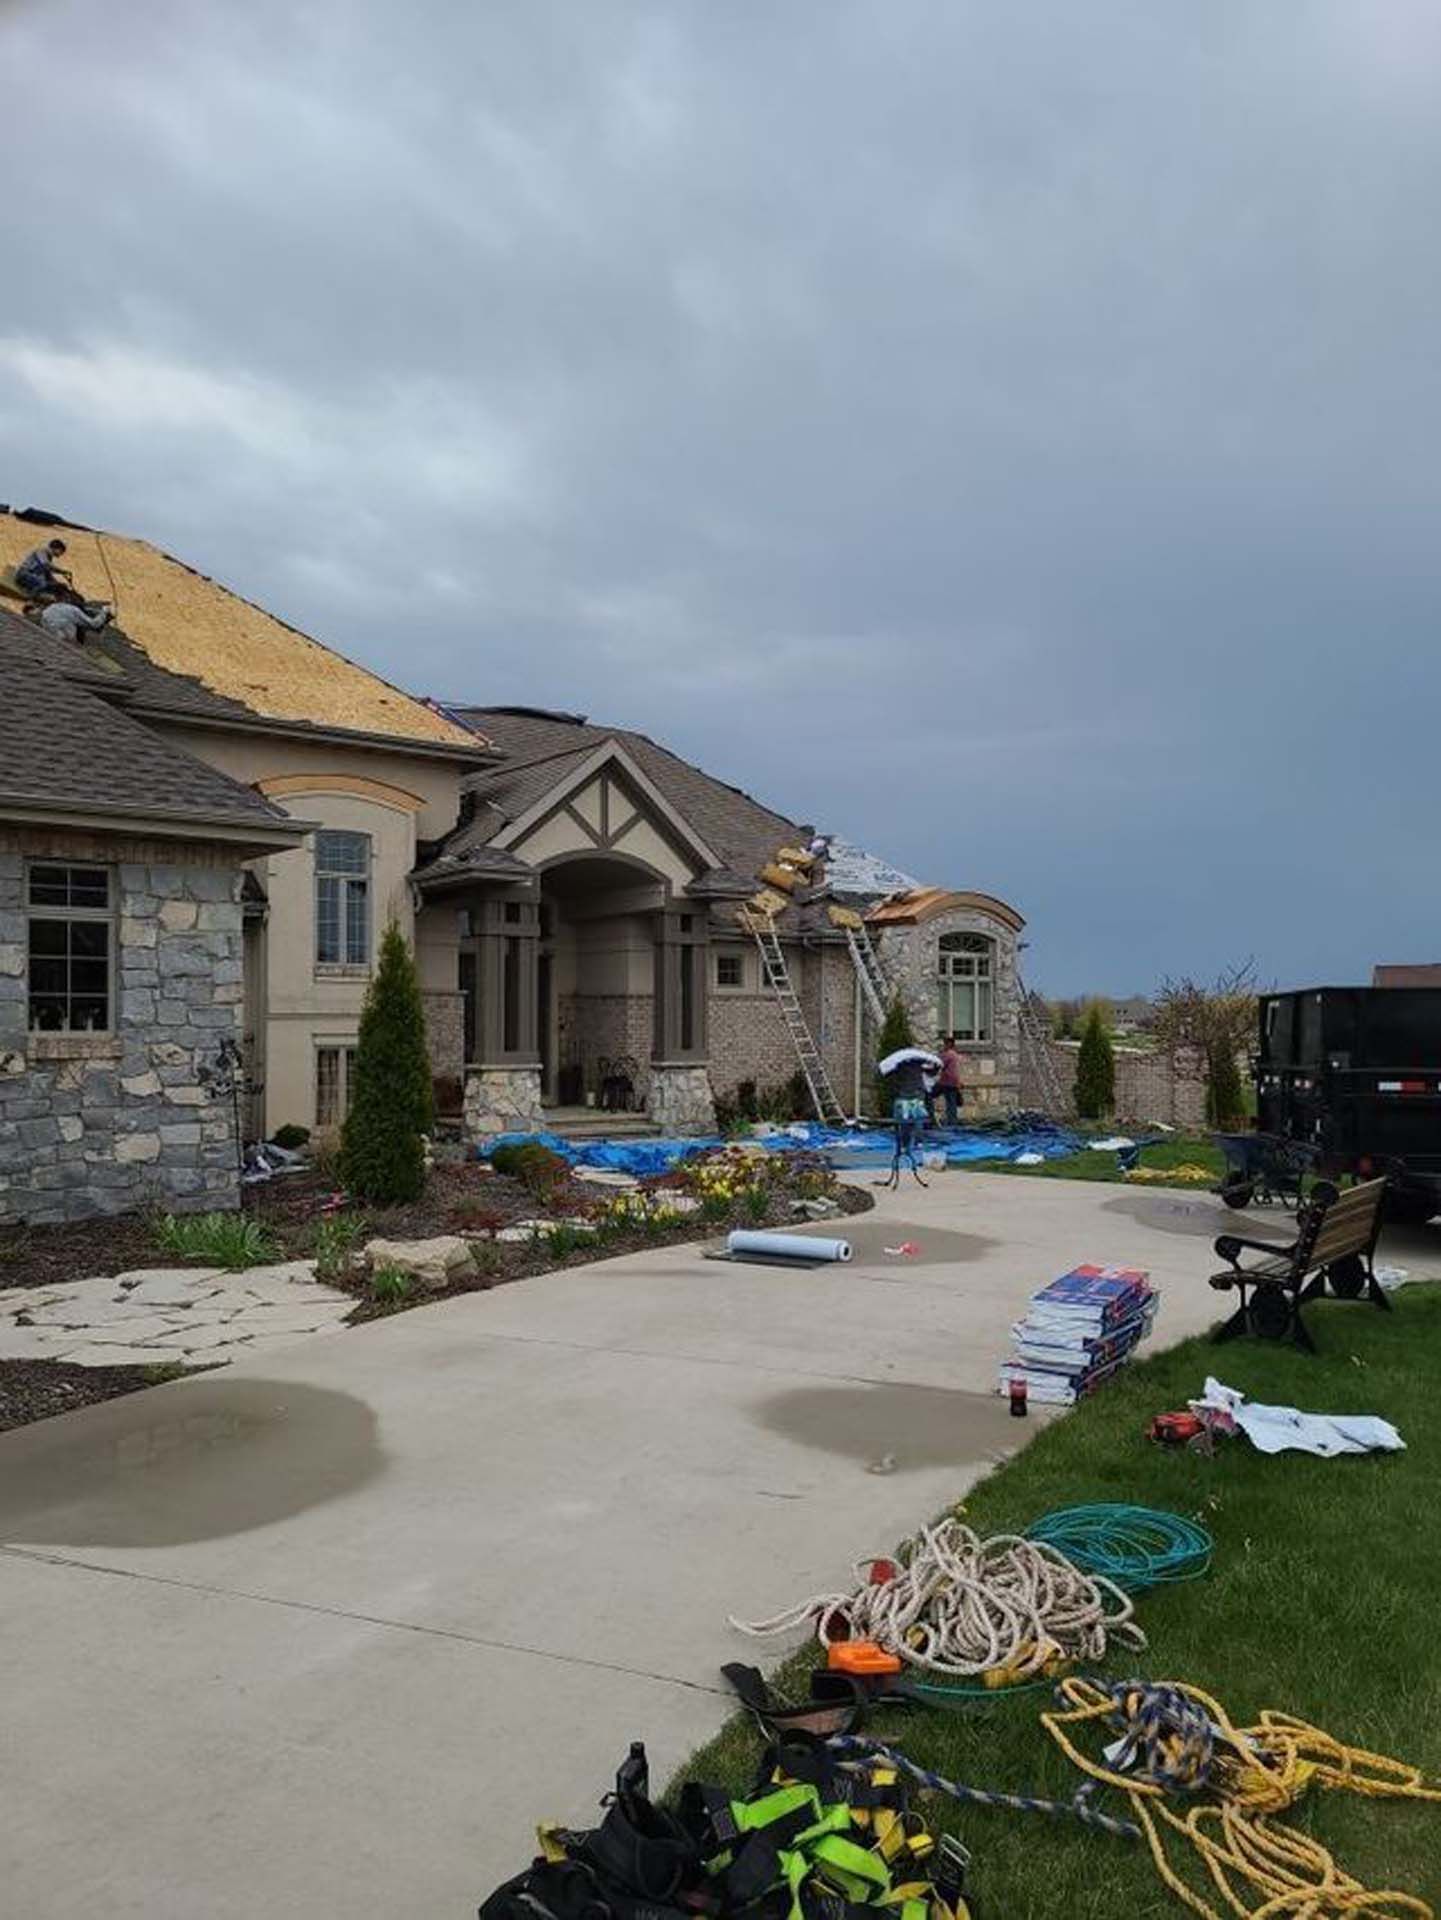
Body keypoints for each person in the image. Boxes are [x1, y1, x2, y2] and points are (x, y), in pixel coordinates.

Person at [37, 599, 111, 644]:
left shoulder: (56, 606)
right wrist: (104, 612)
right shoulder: (76, 611)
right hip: (60, 637)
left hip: (46, 633)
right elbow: (94, 624)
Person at [929, 1036, 963, 1128]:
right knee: (951, 1103)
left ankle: (931, 1117)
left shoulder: (948, 1054)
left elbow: (939, 1063)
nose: (944, 1046)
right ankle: (952, 1123)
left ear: (949, 1044)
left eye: (945, 1044)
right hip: (953, 1082)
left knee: (929, 1094)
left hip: (946, 1081)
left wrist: (928, 1070)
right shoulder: (955, 1054)